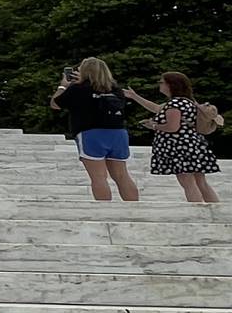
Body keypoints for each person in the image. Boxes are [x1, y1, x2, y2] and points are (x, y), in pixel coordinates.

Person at [125, 71, 222, 204]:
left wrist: (153, 126)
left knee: (187, 182)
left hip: (180, 148)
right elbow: (156, 108)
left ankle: (198, 212)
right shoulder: (188, 102)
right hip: (193, 145)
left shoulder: (174, 104)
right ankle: (217, 210)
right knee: (201, 182)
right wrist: (135, 96)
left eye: (161, 82)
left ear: (170, 85)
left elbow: (172, 127)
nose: (159, 84)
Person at [52, 58, 140, 202]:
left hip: (91, 133)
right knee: (122, 175)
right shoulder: (116, 90)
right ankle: (135, 209)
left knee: (98, 177)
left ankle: (105, 210)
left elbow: (55, 104)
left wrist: (63, 87)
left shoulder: (78, 89)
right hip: (118, 133)